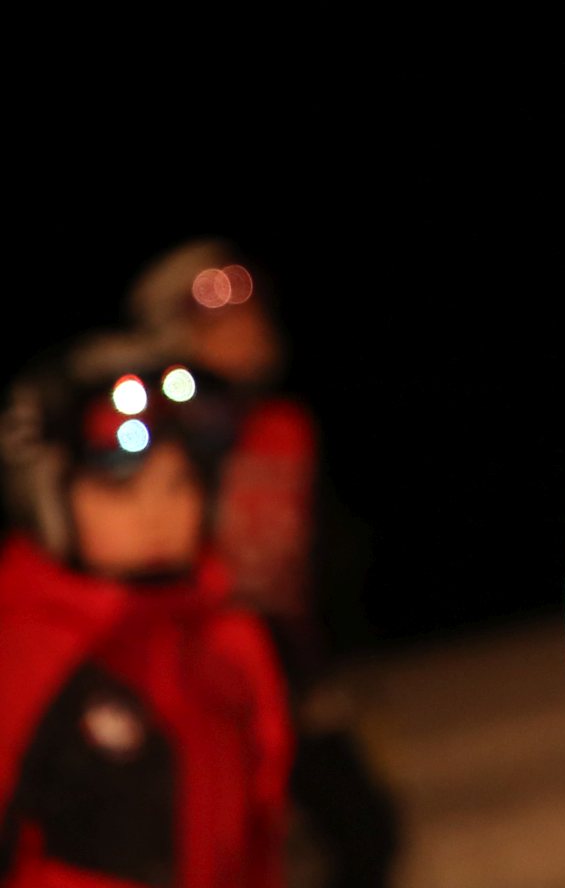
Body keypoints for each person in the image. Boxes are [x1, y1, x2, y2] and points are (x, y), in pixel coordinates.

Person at [129, 244, 399, 888]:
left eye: (250, 314)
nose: (244, 330)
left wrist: (333, 663)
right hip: (200, 684)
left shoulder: (284, 425)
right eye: (215, 323)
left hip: (293, 672)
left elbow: (328, 554)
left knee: (365, 832)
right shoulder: (153, 438)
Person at [1, 335, 292, 888]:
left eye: (179, 484)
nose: (157, 513)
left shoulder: (230, 639)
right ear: (49, 500)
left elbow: (263, 822)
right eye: (122, 491)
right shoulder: (25, 649)